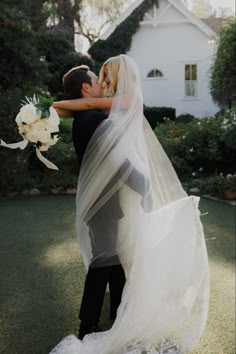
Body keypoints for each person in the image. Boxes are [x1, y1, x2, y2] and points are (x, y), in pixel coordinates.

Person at [50, 55, 209, 354]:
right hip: (105, 205)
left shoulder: (90, 116)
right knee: (102, 264)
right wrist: (141, 182)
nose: (101, 83)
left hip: (105, 203)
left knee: (115, 262)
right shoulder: (94, 117)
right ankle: (88, 325)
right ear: (86, 89)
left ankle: (118, 315)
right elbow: (115, 161)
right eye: (96, 81)